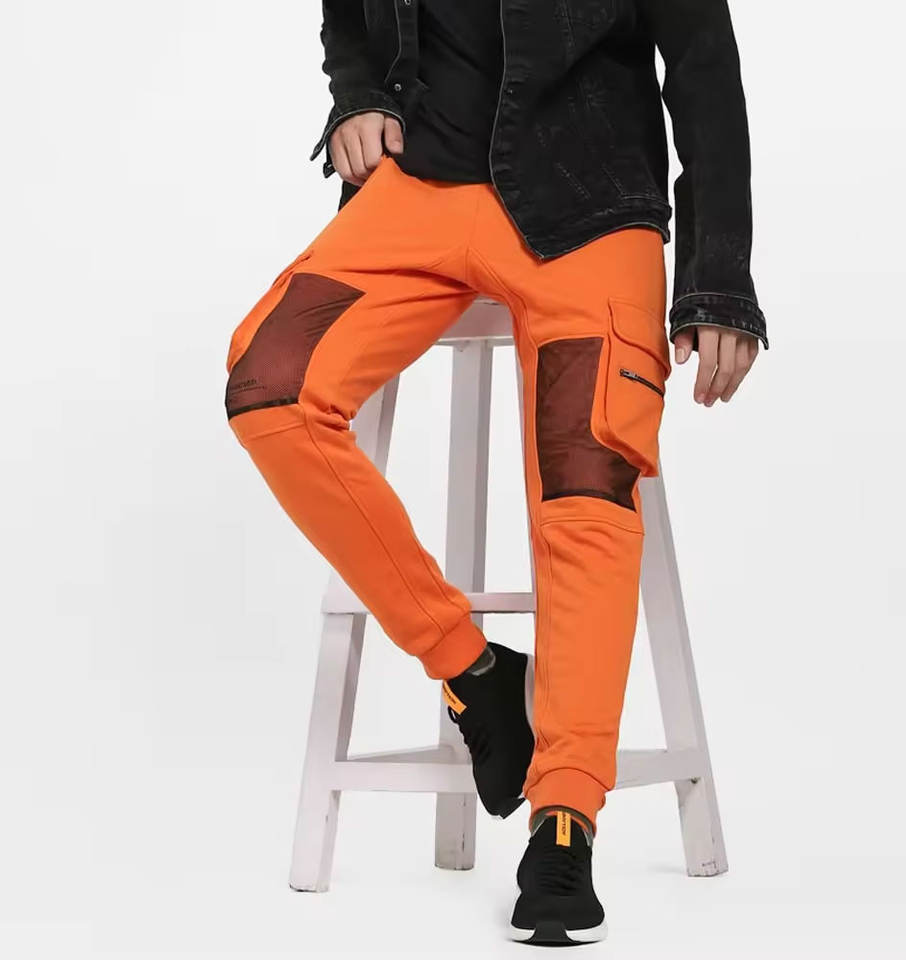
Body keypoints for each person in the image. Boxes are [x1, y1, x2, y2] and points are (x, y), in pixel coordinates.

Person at [224, 0, 766, 945]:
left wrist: (718, 275)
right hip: (418, 188)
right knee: (270, 387)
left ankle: (565, 817)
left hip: (590, 203)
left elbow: (703, 61)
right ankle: (473, 672)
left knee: (586, 482)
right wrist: (356, 94)